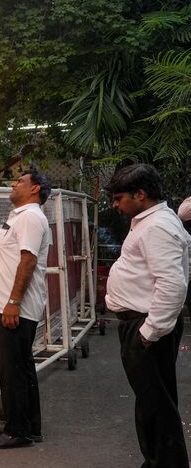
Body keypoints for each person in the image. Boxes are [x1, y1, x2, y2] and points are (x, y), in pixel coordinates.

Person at [104, 164, 189, 466]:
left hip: (146, 324)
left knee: (156, 405)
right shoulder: (149, 221)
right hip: (141, 321)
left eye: (119, 198)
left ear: (140, 194)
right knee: (151, 401)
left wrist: (150, 332)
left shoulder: (157, 227)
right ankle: (156, 460)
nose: (115, 205)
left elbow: (172, 284)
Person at [0, 169, 52, 449]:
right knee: (21, 367)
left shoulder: (29, 216)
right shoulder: (22, 216)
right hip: (11, 305)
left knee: (12, 370)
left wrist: (14, 302)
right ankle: (28, 425)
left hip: (15, 308)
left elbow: (28, 261)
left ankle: (17, 431)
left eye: (20, 181)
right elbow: (16, 258)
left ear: (34, 189)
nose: (14, 184)